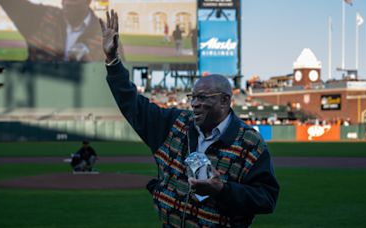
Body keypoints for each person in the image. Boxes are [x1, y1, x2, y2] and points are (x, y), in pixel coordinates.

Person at [100, 10, 279, 227]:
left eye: (203, 98)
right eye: (192, 97)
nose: (194, 104)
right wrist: (113, 60)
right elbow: (132, 105)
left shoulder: (250, 143)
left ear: (225, 101)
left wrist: (222, 189)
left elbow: (266, 199)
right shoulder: (176, 124)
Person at [0, 0, 122, 62]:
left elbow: (120, 78)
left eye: (75, 5)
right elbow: (11, 4)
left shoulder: (104, 35)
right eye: (66, 4)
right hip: (38, 99)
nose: (69, 4)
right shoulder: (43, 17)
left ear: (88, 1)